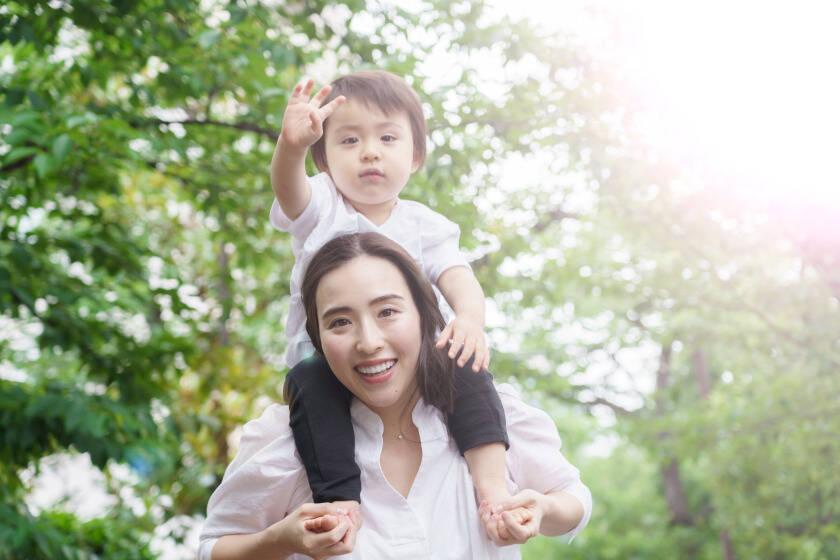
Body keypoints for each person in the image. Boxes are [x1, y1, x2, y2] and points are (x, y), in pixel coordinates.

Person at [199, 233, 592, 559]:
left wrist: (541, 509)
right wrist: (280, 539)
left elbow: (573, 500)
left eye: (387, 312)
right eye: (340, 322)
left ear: (423, 315)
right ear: (318, 339)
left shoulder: (493, 418)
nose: (368, 342)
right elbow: (214, 547)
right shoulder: (284, 439)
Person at [269, 70, 510, 513]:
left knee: (465, 360)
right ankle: (341, 502)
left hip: (411, 355)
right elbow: (288, 191)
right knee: (310, 386)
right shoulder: (321, 204)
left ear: (415, 155)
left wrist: (470, 321)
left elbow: (459, 278)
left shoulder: (425, 225)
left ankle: (493, 484)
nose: (370, 153)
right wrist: (292, 146)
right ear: (323, 160)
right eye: (349, 141)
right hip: (330, 357)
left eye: (387, 138)